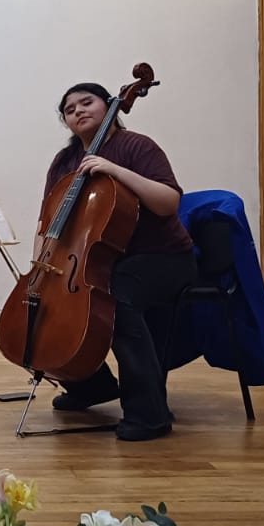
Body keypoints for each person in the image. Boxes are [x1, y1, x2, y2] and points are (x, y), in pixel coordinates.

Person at [38, 81, 196, 441]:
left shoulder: (136, 146)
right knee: (48, 308)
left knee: (115, 300)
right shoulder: (64, 162)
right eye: (69, 109)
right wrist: (41, 268)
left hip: (162, 258)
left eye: (86, 102)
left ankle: (149, 415)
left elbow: (168, 202)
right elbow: (48, 222)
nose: (78, 111)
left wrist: (114, 170)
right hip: (98, 261)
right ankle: (89, 385)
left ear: (109, 105)